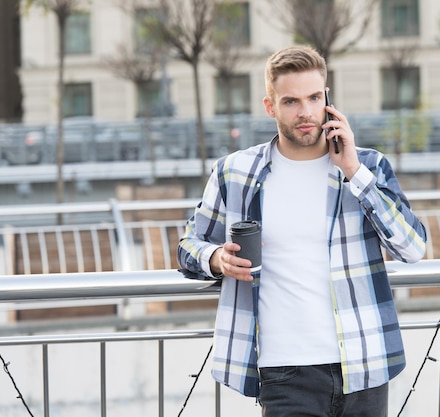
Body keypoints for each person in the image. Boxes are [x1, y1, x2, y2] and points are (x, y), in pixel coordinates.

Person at [177, 45, 427, 417]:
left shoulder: (367, 166)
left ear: (328, 97)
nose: (306, 112)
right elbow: (188, 245)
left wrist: (355, 173)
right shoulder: (235, 173)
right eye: (291, 101)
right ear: (270, 107)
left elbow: (413, 247)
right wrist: (214, 258)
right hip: (284, 370)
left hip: (365, 363)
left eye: (314, 97)